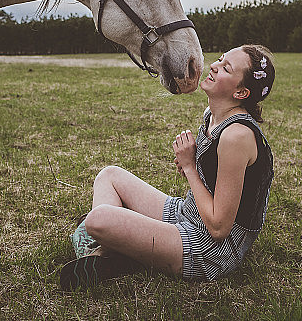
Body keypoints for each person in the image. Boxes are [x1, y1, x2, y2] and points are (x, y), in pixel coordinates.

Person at [60, 44, 275, 290]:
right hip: (188, 213)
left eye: (226, 68)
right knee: (109, 176)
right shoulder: (213, 115)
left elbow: (218, 227)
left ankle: (111, 250)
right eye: (220, 59)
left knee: (97, 220)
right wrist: (193, 168)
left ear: (241, 92)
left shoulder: (236, 136)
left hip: (208, 250)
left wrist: (190, 167)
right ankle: (114, 249)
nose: (214, 66)